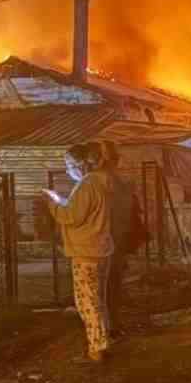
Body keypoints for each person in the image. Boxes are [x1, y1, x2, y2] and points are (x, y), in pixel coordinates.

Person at [46, 142, 114, 362]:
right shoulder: (103, 182)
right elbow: (84, 212)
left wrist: (53, 205)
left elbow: (71, 217)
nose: (68, 169)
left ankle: (96, 349)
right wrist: (66, 203)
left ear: (82, 164)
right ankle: (103, 340)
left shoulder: (87, 185)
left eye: (69, 164)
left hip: (86, 252)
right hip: (101, 249)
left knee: (87, 302)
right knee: (98, 300)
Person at [100, 140, 139, 336]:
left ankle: (106, 327)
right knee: (113, 284)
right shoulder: (121, 182)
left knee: (105, 285)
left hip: (106, 241)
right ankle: (113, 324)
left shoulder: (102, 182)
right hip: (118, 239)